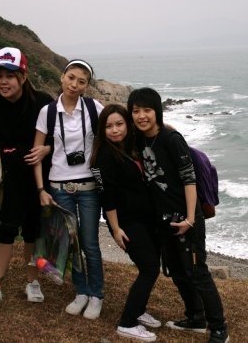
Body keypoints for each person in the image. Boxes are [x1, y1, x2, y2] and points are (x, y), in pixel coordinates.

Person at [127, 87, 230, 343]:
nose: (141, 116)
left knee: (198, 272)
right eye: (136, 111)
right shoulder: (139, 139)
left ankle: (219, 327)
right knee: (176, 270)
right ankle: (196, 317)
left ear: (157, 111)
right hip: (163, 219)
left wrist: (191, 219)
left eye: (147, 110)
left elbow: (189, 179)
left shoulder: (171, 139)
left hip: (186, 217)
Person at [0, 47, 53, 309]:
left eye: (10, 76)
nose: (3, 82)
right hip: (5, 182)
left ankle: (33, 281)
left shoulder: (43, 102)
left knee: (34, 232)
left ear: (23, 76)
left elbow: (60, 137)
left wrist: (47, 149)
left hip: (38, 180)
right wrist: (3, 158)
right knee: (4, 231)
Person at [33, 59, 105, 319]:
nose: (75, 84)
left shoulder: (94, 108)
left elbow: (116, 129)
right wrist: (41, 189)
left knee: (90, 243)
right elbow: (36, 154)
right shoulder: (48, 112)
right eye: (71, 77)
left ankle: (96, 295)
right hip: (59, 187)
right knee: (70, 242)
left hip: (89, 187)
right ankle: (81, 291)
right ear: (62, 77)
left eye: (81, 81)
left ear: (87, 86)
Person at [90, 104, 161, 342]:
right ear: (102, 130)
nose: (115, 130)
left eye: (119, 124)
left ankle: (138, 310)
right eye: (108, 126)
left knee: (151, 266)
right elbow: (106, 196)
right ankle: (127, 323)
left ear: (127, 125)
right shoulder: (104, 156)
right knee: (149, 268)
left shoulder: (131, 146)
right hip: (125, 222)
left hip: (144, 219)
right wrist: (116, 229)